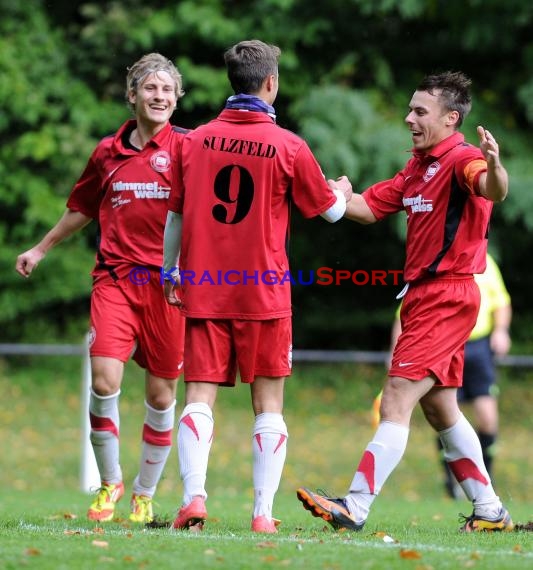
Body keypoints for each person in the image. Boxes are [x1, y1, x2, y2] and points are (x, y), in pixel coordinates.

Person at [296, 71, 515, 533]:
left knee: (396, 396)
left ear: (451, 118)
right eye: (410, 109)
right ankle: (490, 510)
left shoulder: (464, 159)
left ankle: (355, 505)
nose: (408, 118)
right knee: (440, 409)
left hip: (447, 294)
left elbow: (492, 188)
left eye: (420, 111)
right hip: (422, 296)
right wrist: (328, 190)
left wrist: (495, 165)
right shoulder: (417, 168)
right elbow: (366, 208)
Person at [162, 39, 353, 534]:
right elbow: (330, 211)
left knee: (198, 397)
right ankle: (262, 514)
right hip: (264, 293)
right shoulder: (289, 145)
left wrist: (169, 271)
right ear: (270, 83)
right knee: (268, 405)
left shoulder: (193, 140)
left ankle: (193, 500)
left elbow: (176, 215)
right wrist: (343, 191)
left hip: (205, 286)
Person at [15, 53, 187, 525]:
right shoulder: (107, 153)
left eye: (168, 90)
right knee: (105, 381)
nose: (159, 96)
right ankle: (109, 485)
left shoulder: (190, 150)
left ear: (177, 99)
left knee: (160, 397)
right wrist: (42, 248)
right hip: (115, 279)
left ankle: (144, 494)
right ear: (132, 96)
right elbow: (82, 207)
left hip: (169, 288)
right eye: (150, 88)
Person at [387, 252, 512, 499]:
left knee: (487, 417)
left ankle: (485, 479)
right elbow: (404, 314)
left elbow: (501, 302)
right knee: (441, 412)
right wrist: (395, 352)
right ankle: (453, 481)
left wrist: (501, 331)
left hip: (477, 348)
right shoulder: (432, 262)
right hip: (443, 342)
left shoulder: (483, 261)